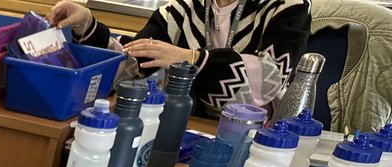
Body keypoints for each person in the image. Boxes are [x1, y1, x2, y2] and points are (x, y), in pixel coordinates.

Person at [48, 0, 311, 117]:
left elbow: (269, 79)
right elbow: (129, 63)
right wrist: (86, 24)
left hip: (257, 139)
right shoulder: (183, 9)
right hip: (187, 127)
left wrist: (193, 59)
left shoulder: (289, 7)